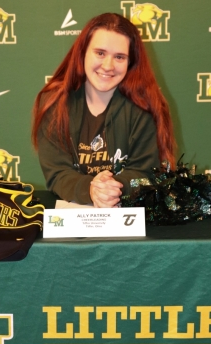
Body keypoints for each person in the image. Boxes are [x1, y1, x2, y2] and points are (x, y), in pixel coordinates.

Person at [32, 13, 175, 208]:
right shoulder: (54, 103)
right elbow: (58, 173)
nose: (108, 66)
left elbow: (146, 173)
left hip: (129, 215)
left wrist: (114, 188)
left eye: (119, 57)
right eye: (100, 53)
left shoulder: (146, 105)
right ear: (82, 53)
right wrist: (90, 189)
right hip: (75, 218)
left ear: (130, 62)